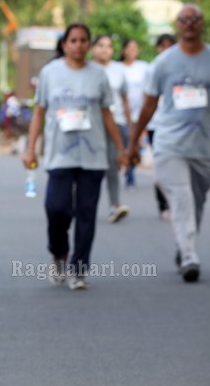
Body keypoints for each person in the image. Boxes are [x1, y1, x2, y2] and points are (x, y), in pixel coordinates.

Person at [128, 4, 210, 283]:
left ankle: (185, 245)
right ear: (177, 24)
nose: (190, 23)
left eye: (195, 19)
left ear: (202, 24)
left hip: (204, 147)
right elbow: (148, 105)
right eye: (184, 19)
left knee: (196, 201)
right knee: (182, 198)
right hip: (170, 144)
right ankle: (190, 255)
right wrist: (133, 143)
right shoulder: (163, 63)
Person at [23, 23, 127, 290]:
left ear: (89, 45)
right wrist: (31, 148)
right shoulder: (50, 73)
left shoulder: (98, 76)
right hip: (59, 152)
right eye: (73, 40)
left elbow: (106, 113)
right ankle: (59, 252)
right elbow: (39, 111)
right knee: (56, 208)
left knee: (86, 213)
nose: (79, 45)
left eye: (83, 40)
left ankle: (79, 269)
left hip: (93, 154)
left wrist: (121, 149)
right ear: (65, 44)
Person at [90, 35, 132, 222]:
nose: (104, 49)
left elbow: (124, 100)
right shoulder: (87, 69)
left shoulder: (118, 71)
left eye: (109, 46)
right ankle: (83, 204)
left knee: (113, 164)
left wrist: (131, 127)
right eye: (100, 45)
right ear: (93, 48)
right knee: (89, 166)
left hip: (115, 122)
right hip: (91, 124)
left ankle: (114, 205)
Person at [145, 34, 176, 219]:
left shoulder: (183, 66)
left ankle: (176, 201)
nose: (166, 50)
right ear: (158, 48)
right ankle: (163, 203)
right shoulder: (153, 68)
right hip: (156, 125)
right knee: (161, 165)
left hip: (178, 125)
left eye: (170, 46)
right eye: (162, 46)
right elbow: (147, 100)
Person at [120, 39, 148, 187]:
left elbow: (148, 92)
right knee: (124, 144)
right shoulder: (118, 68)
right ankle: (124, 166)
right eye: (129, 47)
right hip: (121, 114)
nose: (132, 50)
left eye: (135, 47)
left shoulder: (144, 68)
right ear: (124, 50)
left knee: (134, 144)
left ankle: (130, 173)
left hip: (138, 114)